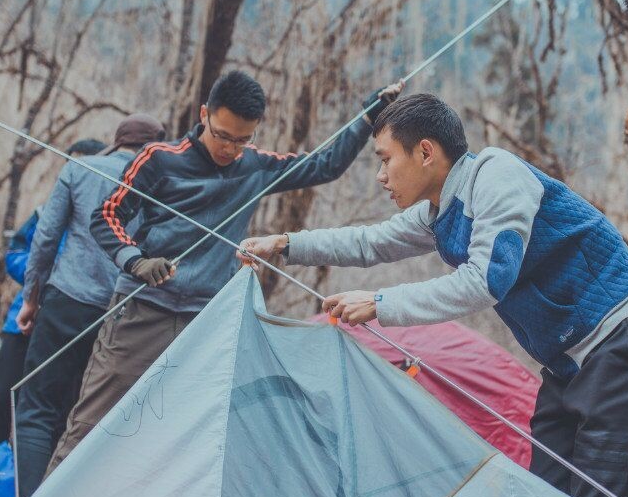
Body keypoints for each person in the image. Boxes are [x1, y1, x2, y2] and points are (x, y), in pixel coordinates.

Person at [239, 93, 628, 497]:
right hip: (567, 366)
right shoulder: (438, 212)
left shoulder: (496, 176)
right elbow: (369, 242)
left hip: (622, 341)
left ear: (425, 152)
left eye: (386, 159)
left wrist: (380, 304)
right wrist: (285, 245)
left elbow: (488, 279)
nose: (380, 175)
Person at [46, 71, 404, 473]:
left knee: (181, 438)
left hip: (207, 322)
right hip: (142, 311)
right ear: (204, 115)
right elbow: (106, 215)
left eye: (242, 139)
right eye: (222, 135)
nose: (230, 149)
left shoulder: (254, 165)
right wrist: (136, 260)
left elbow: (324, 165)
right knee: (93, 424)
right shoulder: (159, 159)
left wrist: (366, 119)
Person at [14, 116, 165, 497]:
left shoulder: (81, 168)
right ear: (153, 149)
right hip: (119, 315)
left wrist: (31, 299)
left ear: (117, 142)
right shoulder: (160, 184)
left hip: (66, 300)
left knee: (37, 410)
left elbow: (45, 240)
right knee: (81, 418)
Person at [0, 139, 104, 459]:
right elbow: (16, 254)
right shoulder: (43, 213)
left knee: (57, 406)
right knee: (1, 396)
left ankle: (35, 485)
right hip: (24, 318)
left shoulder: (109, 219)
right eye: (70, 165)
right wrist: (44, 277)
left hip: (70, 323)